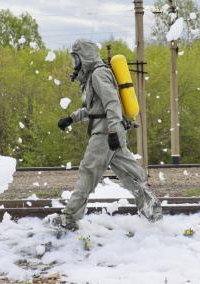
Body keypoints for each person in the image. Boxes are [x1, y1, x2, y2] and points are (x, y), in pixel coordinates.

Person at [55, 38, 162, 231]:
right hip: (110, 129)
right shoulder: (92, 77)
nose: (74, 63)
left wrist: (112, 130)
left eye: (76, 58)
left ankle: (69, 219)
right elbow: (94, 109)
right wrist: (71, 118)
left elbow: (112, 103)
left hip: (106, 132)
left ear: (85, 56)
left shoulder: (98, 74)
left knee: (88, 172)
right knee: (130, 173)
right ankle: (152, 214)